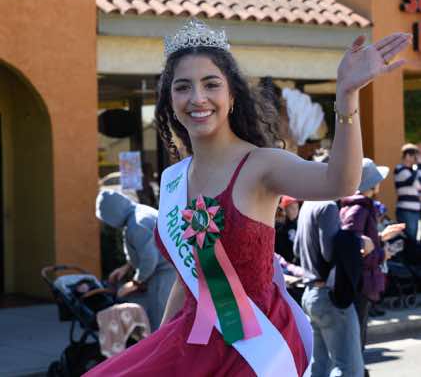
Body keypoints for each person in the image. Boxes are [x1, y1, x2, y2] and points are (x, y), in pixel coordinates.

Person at [84, 20, 410, 377]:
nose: (197, 97)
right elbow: (189, 278)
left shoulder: (260, 164)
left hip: (255, 345)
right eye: (183, 87)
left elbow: (341, 181)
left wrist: (346, 95)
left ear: (232, 96)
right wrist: (159, 348)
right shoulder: (174, 179)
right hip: (193, 338)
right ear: (170, 100)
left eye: (211, 84)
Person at [294, 198, 374, 377]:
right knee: (349, 369)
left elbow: (297, 250)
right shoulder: (327, 206)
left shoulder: (307, 204)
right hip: (330, 297)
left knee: (319, 368)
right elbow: (329, 252)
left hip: (311, 295)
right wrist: (360, 242)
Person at [340, 158, 405, 361]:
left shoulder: (359, 206)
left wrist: (381, 237)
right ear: (371, 183)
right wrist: (383, 254)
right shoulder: (359, 208)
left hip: (362, 280)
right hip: (361, 282)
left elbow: (361, 241)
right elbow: (353, 246)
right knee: (356, 341)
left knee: (357, 337)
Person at [97, 191, 176, 332]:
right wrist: (126, 268)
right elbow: (147, 247)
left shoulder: (137, 225)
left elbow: (149, 259)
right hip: (172, 270)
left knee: (160, 324)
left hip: (164, 275)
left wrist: (135, 283)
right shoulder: (140, 212)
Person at [394, 143, 421, 241]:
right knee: (410, 240)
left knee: (414, 239)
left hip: (415, 210)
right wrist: (418, 165)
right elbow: (413, 182)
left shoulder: (413, 171)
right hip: (406, 210)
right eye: (415, 156)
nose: (416, 158)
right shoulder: (400, 169)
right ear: (407, 156)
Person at [275, 196, 299, 262]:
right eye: (291, 208)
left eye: (297, 207)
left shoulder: (299, 224)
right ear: (285, 209)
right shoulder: (278, 227)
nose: (295, 210)